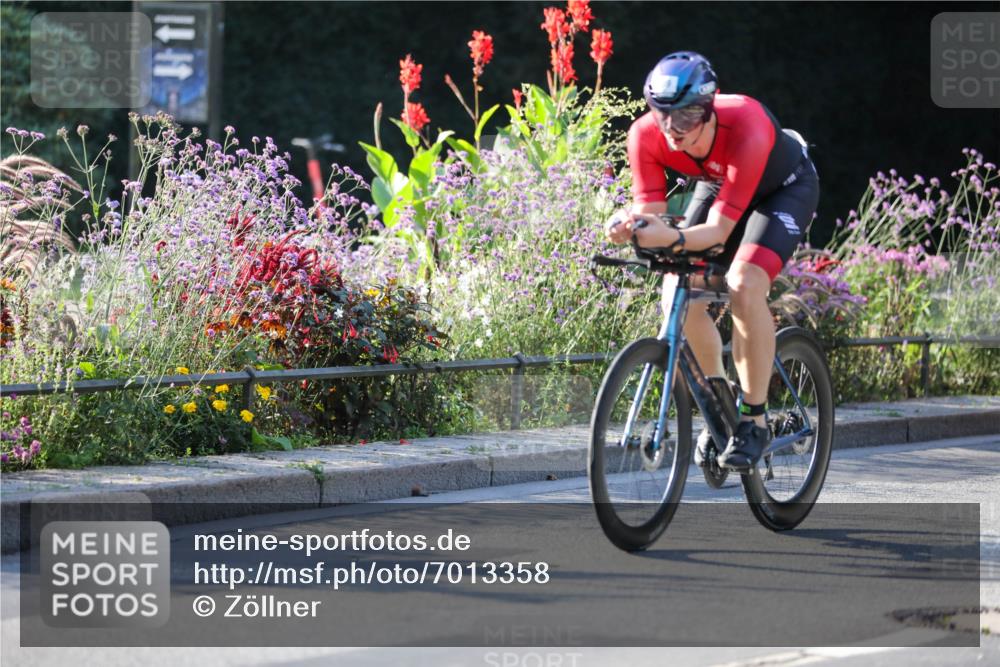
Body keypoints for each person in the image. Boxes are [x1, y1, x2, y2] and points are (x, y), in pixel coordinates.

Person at [605, 51, 819, 471]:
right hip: (721, 183)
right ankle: (720, 406)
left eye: (685, 118)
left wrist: (674, 235)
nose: (672, 130)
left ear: (709, 108)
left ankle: (754, 420)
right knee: (673, 294)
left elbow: (719, 232)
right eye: (661, 114)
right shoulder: (645, 134)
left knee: (743, 283)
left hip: (783, 190)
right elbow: (651, 212)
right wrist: (630, 224)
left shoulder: (748, 124)